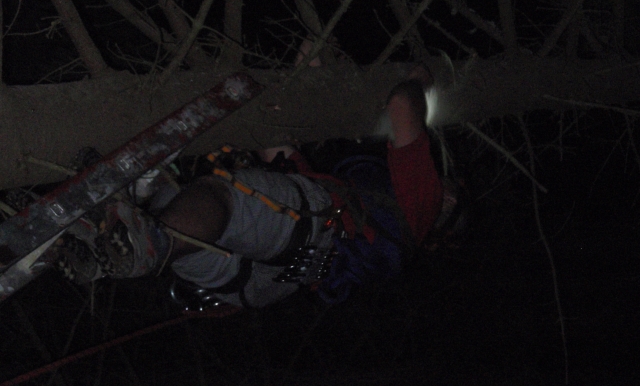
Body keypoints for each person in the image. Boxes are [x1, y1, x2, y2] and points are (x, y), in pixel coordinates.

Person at [56, 66, 445, 310]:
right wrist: (300, 78)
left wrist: (420, 81)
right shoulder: (370, 219)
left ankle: (142, 236)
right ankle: (107, 246)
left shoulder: (422, 207)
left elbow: (402, 105)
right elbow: (279, 152)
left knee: (222, 197)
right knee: (175, 208)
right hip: (266, 282)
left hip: (308, 236)